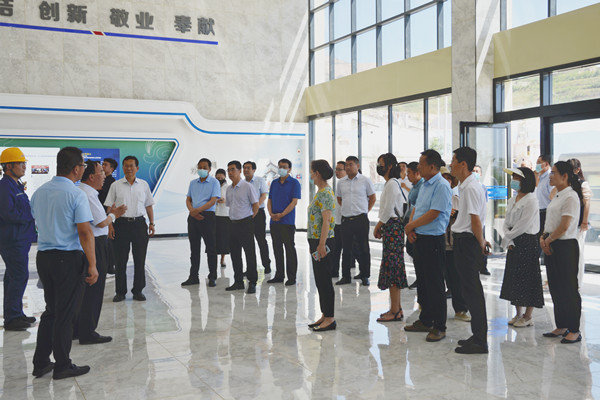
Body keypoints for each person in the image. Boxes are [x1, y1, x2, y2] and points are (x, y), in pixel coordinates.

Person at [30, 146, 98, 379]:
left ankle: (41, 362)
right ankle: (62, 365)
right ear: (76, 168)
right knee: (65, 314)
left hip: (44, 257)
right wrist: (92, 265)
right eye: (83, 166)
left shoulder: (39, 192)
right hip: (67, 258)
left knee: (51, 310)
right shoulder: (75, 194)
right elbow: (85, 232)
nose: (83, 170)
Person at [75, 160, 127, 344]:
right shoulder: (88, 194)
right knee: (94, 290)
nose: (104, 176)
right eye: (101, 172)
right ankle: (87, 332)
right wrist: (115, 214)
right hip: (95, 243)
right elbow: (100, 222)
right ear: (91, 176)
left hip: (88, 243)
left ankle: (77, 328)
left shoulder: (82, 191)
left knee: (84, 290)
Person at [404, 149, 451, 343]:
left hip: (433, 240)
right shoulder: (424, 184)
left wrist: (411, 226)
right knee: (422, 282)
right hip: (419, 238)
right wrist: (411, 228)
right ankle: (426, 320)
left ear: (432, 166)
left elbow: (434, 213)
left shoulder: (442, 185)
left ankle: (439, 326)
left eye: (421, 164)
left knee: (435, 284)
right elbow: (417, 208)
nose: (418, 167)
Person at [450, 147, 491, 354]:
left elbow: (476, 221)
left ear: (463, 164)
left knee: (473, 292)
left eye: (453, 160)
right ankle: (476, 335)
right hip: (463, 241)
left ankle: (480, 341)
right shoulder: (465, 186)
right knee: (468, 290)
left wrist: (481, 242)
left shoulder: (472, 187)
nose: (451, 164)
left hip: (468, 243)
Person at [540, 161, 583, 344]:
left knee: (568, 288)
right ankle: (562, 325)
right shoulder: (557, 195)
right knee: (556, 287)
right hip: (551, 243)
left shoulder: (571, 196)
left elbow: (565, 225)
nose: (550, 176)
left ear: (565, 176)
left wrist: (548, 240)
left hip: (565, 246)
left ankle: (574, 329)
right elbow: (550, 221)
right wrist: (543, 238)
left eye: (554, 173)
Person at [104, 155, 155, 302]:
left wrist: (152, 223)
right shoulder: (116, 185)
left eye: (131, 165)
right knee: (120, 261)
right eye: (126, 165)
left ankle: (138, 291)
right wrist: (110, 226)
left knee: (140, 259)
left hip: (139, 224)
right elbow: (109, 207)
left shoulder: (143, 185)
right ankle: (120, 292)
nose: (128, 168)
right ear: (123, 167)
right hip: (121, 225)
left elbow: (148, 205)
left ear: (137, 168)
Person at [499, 167, 543, 327]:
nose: (514, 181)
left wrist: (508, 237)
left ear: (525, 181)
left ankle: (528, 316)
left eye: (517, 178)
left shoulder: (531, 200)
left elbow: (523, 225)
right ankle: (518, 314)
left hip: (527, 242)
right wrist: (509, 239)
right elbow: (506, 223)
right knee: (515, 278)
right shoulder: (513, 199)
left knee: (529, 278)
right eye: (514, 177)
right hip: (513, 241)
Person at [0, 147, 37, 331]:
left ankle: (15, 312)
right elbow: (8, 214)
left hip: (20, 238)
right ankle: (12, 318)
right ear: (8, 166)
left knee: (13, 276)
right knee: (19, 275)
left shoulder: (16, 184)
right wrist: (30, 216)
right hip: (12, 240)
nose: (24, 166)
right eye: (20, 163)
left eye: (24, 163)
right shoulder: (4, 187)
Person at [373, 153, 407, 322]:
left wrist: (377, 226)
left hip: (392, 227)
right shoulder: (391, 183)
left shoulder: (392, 184)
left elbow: (388, 210)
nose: (379, 167)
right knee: (392, 266)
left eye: (381, 164)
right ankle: (397, 308)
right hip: (392, 227)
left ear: (389, 166)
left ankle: (394, 310)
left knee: (393, 268)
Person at [335, 156, 376, 286]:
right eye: (346, 165)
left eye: (350, 164)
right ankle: (346, 276)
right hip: (346, 220)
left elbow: (372, 197)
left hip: (361, 219)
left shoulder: (365, 180)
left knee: (363, 248)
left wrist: (365, 210)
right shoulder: (341, 182)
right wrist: (347, 209)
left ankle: (365, 275)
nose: (348, 167)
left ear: (357, 166)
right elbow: (339, 198)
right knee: (346, 249)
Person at [307, 160, 337, 332]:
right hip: (316, 241)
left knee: (325, 280)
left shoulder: (325, 193)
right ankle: (325, 314)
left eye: (312, 172)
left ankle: (330, 318)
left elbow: (327, 221)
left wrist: (321, 244)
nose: (311, 175)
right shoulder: (320, 192)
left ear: (317, 173)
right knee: (320, 280)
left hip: (323, 241)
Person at [181, 158, 221, 287]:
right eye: (200, 167)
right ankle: (193, 276)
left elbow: (213, 200)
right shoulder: (193, 183)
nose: (202, 169)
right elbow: (188, 199)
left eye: (205, 167)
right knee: (194, 248)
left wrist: (197, 210)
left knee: (211, 248)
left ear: (209, 169)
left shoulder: (214, 182)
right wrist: (192, 211)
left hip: (207, 216)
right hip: (193, 217)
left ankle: (212, 276)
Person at [440, 166, 470, 322]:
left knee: (456, 277)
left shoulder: (457, 198)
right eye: (443, 178)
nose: (446, 181)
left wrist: (455, 214)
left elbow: (466, 218)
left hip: (453, 243)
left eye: (448, 178)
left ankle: (461, 309)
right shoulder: (436, 197)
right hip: (438, 241)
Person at [226, 161, 259, 294]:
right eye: (228, 170)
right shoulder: (229, 189)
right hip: (232, 224)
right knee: (235, 254)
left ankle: (252, 282)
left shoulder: (247, 186)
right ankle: (238, 282)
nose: (230, 172)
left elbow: (255, 205)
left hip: (245, 223)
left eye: (233, 169)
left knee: (249, 254)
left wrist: (249, 219)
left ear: (239, 171)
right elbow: (230, 205)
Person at [267, 158, 301, 285]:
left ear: (289, 169)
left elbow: (294, 202)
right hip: (274, 221)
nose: (281, 169)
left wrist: (282, 214)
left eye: (284, 167)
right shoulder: (274, 183)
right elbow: (269, 200)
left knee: (289, 249)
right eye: (279, 166)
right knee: (277, 249)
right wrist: (271, 214)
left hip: (287, 221)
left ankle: (291, 277)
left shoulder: (294, 183)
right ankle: (279, 275)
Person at [243, 161, 271, 274]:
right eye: (244, 168)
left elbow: (264, 195)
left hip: (258, 213)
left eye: (248, 168)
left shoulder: (260, 180)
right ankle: (250, 268)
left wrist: (255, 207)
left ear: (254, 170)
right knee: (248, 243)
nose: (246, 170)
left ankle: (267, 265)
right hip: (246, 215)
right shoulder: (242, 183)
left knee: (261, 240)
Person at [570, 158, 592, 288]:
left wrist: (584, 222)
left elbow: (587, 203)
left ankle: (577, 283)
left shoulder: (583, 184)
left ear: (577, 170)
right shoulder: (567, 184)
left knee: (578, 253)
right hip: (570, 223)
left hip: (579, 224)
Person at [405, 161, 424, 289]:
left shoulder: (423, 186)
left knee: (415, 251)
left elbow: (419, 207)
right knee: (411, 249)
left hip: (418, 223)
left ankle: (421, 277)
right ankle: (420, 275)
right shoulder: (415, 186)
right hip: (411, 221)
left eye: (409, 173)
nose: (407, 176)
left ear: (417, 173)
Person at [99, 157, 118, 275]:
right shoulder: (101, 179)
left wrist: (109, 214)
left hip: (106, 214)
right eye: (102, 164)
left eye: (105, 165)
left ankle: (110, 265)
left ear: (111, 168)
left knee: (109, 240)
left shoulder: (111, 182)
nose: (103, 166)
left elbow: (111, 201)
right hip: (98, 213)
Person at [473, 165, 491, 276]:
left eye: (477, 171)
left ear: (480, 174)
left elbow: (484, 204)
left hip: (481, 221)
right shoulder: (468, 187)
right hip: (471, 222)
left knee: (482, 243)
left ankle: (483, 267)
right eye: (473, 171)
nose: (475, 173)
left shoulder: (483, 188)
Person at [331, 161, 347, 278]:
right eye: (336, 169)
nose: (336, 172)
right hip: (337, 221)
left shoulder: (347, 184)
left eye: (339, 169)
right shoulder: (339, 183)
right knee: (336, 249)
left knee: (348, 249)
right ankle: (334, 271)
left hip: (346, 221)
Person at [214, 168, 231, 268]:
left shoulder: (228, 187)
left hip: (225, 215)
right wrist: (215, 200)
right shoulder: (213, 186)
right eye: (218, 178)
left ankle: (222, 259)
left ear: (225, 177)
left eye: (221, 178)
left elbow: (232, 200)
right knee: (215, 238)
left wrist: (225, 201)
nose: (219, 179)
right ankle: (214, 259)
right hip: (215, 215)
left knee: (224, 239)